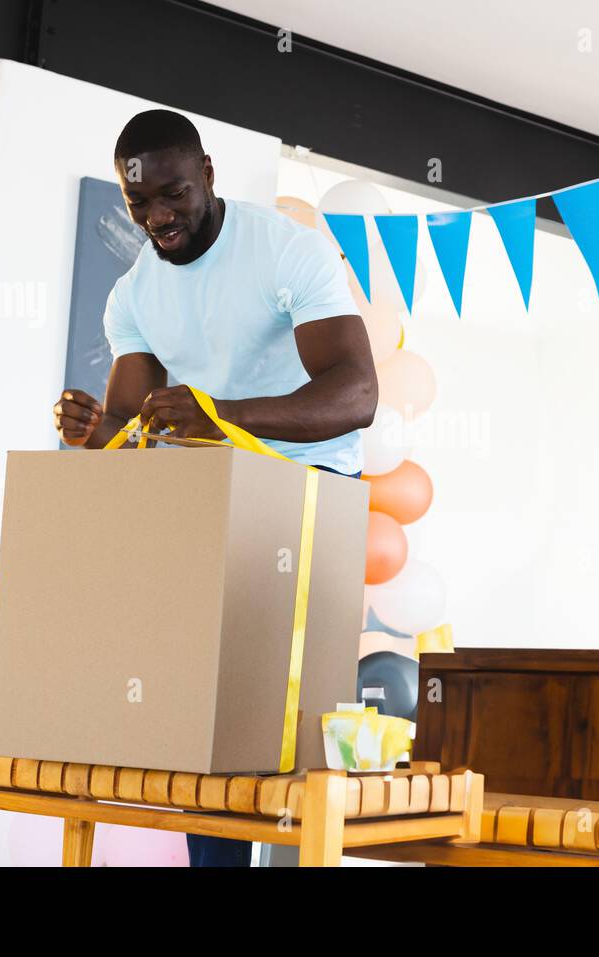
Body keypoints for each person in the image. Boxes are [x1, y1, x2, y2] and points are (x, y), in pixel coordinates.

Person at [52, 109, 377, 867]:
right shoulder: (132, 296)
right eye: (141, 207)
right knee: (210, 709)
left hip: (313, 487)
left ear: (207, 173)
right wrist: (94, 431)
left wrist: (221, 415)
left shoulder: (287, 251)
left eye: (174, 194)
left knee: (294, 723)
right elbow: (132, 435)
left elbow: (357, 392)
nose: (159, 218)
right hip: (219, 494)